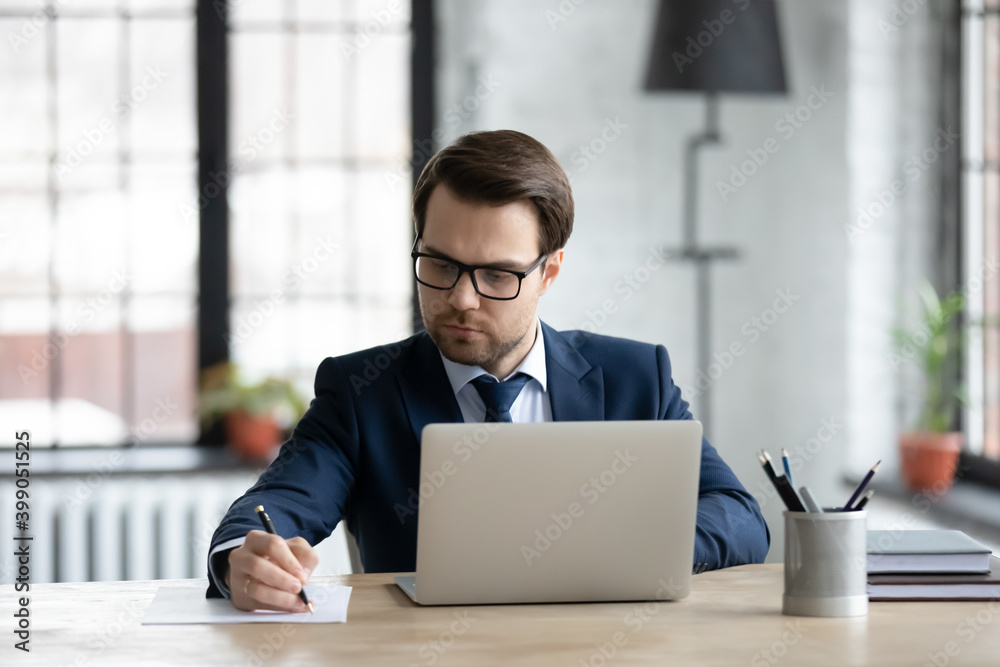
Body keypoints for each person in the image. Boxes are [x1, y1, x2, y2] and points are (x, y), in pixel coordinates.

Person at [206, 129, 770, 611]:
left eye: (498, 276)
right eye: (441, 265)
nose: (462, 299)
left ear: (549, 272)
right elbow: (280, 504)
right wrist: (242, 560)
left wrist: (630, 548)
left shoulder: (635, 376)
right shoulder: (362, 392)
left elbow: (741, 518)